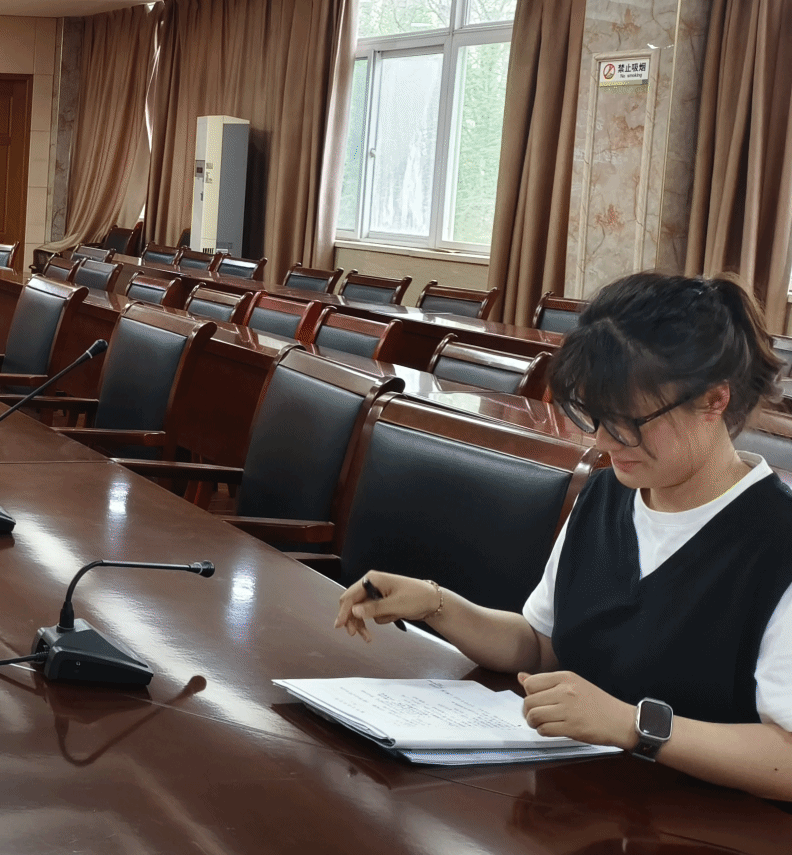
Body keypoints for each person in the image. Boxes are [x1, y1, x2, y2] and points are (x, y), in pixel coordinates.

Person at [334, 272, 792, 800]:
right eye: (596, 416)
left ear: (714, 400)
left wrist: (631, 725)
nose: (605, 441)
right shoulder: (607, 495)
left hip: (708, 832)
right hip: (582, 808)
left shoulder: (775, 541)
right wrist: (435, 604)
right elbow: (541, 646)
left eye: (629, 421)